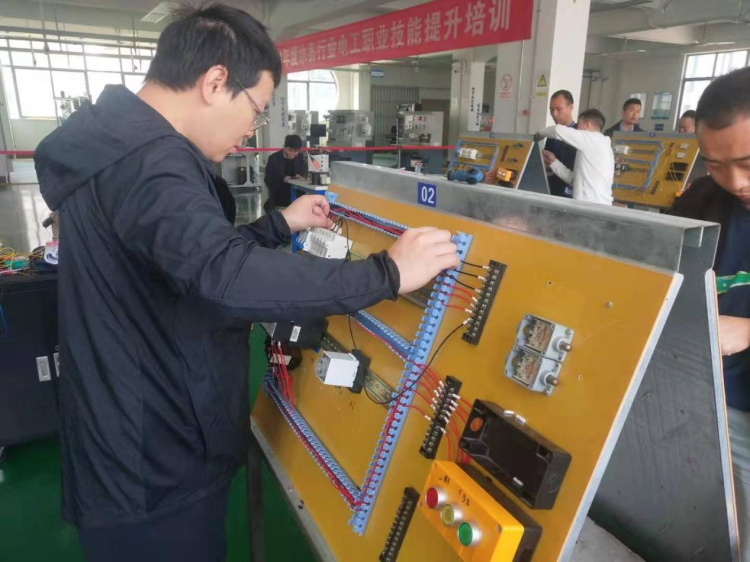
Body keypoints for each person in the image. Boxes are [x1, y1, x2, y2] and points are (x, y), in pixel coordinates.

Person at [32, 5, 459, 561]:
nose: (249, 132)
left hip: (125, 432)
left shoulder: (112, 143)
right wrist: (388, 272)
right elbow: (223, 274)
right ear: (215, 82)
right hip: (153, 461)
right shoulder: (151, 161)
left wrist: (278, 224)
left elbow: (178, 257)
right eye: (254, 110)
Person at [668, 67, 750, 561]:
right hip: (708, 405)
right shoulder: (700, 203)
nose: (736, 182)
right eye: (716, 165)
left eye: (747, 163)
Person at [538, 108, 614, 205]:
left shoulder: (593, 139)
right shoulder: (598, 146)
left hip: (591, 206)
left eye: (578, 125)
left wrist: (539, 134)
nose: (576, 129)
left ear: (587, 125)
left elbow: (557, 130)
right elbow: (574, 181)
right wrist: (554, 162)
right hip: (593, 205)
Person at [545, 90, 577, 198]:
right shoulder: (551, 135)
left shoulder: (578, 135)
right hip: (550, 191)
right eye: (551, 109)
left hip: (569, 194)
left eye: (559, 109)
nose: (554, 114)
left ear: (570, 108)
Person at [264, 133, 307, 213]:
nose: (293, 153)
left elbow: (304, 171)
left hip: (297, 196)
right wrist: (282, 179)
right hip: (279, 195)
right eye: (290, 150)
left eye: (296, 151)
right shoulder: (274, 159)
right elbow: (268, 179)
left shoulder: (300, 158)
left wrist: (300, 176)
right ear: (284, 147)